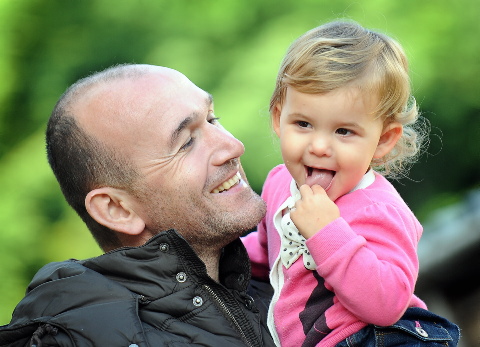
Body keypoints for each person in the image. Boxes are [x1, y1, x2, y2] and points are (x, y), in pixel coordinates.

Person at [0, 64, 276, 347]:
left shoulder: (290, 284)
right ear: (117, 209)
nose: (233, 146)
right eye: (186, 143)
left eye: (212, 119)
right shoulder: (75, 341)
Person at [242, 20, 460, 347]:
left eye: (343, 131)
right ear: (278, 119)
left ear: (384, 140)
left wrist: (327, 232)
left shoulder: (379, 210)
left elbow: (388, 304)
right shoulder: (277, 184)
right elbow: (262, 254)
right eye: (303, 123)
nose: (318, 146)